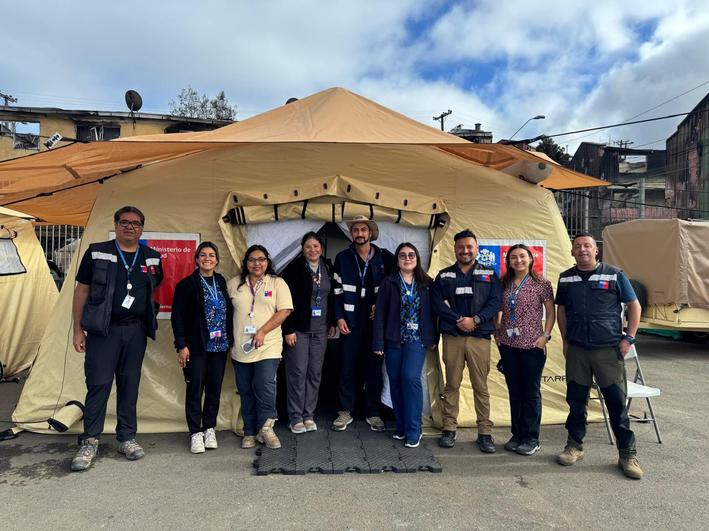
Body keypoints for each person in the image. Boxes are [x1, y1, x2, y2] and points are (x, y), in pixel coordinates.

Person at [70, 206, 163, 472]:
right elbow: (82, 291)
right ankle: (90, 441)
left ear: (142, 228)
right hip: (103, 331)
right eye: (124, 222)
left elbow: (154, 287)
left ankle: (126, 437)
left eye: (135, 223)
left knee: (129, 385)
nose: (129, 226)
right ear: (116, 225)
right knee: (98, 384)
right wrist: (78, 330)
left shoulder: (152, 257)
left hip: (135, 331)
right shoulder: (97, 252)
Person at [555, 233, 643, 479]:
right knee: (576, 401)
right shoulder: (566, 277)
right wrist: (566, 341)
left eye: (587, 246)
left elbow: (634, 306)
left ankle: (627, 454)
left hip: (608, 351)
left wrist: (629, 338)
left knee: (616, 403)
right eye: (578, 246)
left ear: (596, 251)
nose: (582, 250)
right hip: (578, 351)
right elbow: (561, 310)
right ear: (572, 252)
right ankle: (574, 446)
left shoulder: (614, 274)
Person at [432, 229, 502, 452]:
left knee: (480, 386)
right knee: (452, 384)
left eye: (469, 247)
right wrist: (459, 320)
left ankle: (485, 433)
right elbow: (437, 303)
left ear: (476, 249)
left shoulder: (489, 274)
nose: (465, 250)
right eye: (461, 247)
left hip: (479, 337)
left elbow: (495, 302)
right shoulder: (444, 275)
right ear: (455, 249)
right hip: (452, 336)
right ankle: (449, 428)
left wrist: (476, 320)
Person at [331, 215, 394, 432]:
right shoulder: (342, 258)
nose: (359, 233)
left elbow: (395, 286)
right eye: (356, 230)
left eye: (363, 230)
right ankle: (344, 411)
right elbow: (336, 291)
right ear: (351, 234)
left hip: (376, 325)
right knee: (347, 367)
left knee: (374, 368)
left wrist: (381, 306)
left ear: (370, 233)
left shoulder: (385, 258)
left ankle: (373, 412)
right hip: (349, 323)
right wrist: (339, 317)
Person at [373, 242, 438, 448]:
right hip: (393, 340)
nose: (407, 258)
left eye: (411, 255)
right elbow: (380, 314)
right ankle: (401, 427)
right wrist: (378, 342)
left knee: (410, 378)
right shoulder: (389, 282)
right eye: (403, 255)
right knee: (396, 382)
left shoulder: (426, 283)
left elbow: (434, 313)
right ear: (397, 260)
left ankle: (414, 429)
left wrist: (433, 338)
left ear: (417, 258)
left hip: (417, 340)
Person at [171, 242, 234, 453]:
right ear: (197, 259)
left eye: (212, 255)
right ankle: (195, 432)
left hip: (220, 345)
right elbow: (177, 317)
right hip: (197, 346)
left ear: (217, 260)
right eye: (203, 255)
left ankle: (209, 428)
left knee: (214, 389)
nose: (208, 258)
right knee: (195, 389)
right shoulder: (187, 285)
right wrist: (182, 345)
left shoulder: (221, 281)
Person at [228, 245, 292, 449]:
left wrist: (263, 331)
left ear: (267, 262)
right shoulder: (233, 284)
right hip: (241, 347)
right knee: (246, 390)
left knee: (265, 386)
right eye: (252, 260)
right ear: (245, 263)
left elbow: (284, 311)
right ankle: (249, 431)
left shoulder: (277, 283)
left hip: (268, 346)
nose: (257, 263)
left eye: (261, 259)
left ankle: (266, 428)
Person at [496, 244, 555, 456]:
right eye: (513, 257)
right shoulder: (504, 283)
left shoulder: (542, 283)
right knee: (515, 391)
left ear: (530, 259)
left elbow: (551, 312)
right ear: (508, 261)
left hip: (532, 345)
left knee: (530, 392)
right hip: (508, 345)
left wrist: (545, 336)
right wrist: (497, 333)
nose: (518, 260)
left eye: (522, 256)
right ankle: (517, 434)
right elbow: (499, 309)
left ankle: (531, 437)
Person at [281, 232, 337, 434]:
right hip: (299, 329)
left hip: (320, 330)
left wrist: (332, 321)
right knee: (297, 373)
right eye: (308, 247)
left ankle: (309, 415)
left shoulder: (328, 267)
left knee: (314, 373)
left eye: (316, 246)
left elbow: (332, 297)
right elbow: (285, 302)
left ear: (321, 248)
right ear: (302, 250)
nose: (312, 250)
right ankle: (295, 417)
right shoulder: (294, 269)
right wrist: (288, 329)